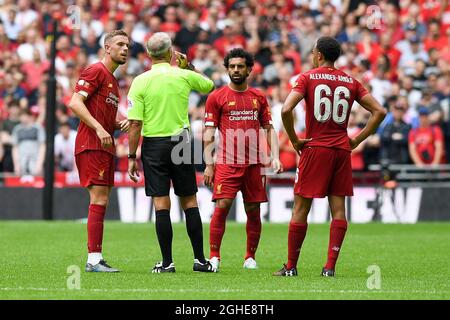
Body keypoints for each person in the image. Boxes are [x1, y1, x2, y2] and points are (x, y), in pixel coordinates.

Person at [274, 37, 386, 277]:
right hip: (341, 151)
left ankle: (291, 267)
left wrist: (294, 139)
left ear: (319, 55)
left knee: (301, 209)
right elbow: (380, 111)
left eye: (313, 52)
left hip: (315, 149)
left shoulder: (307, 77)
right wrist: (356, 139)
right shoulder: (351, 81)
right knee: (338, 211)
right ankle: (329, 268)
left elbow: (285, 110)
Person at [127, 32, 215, 273]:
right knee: (189, 200)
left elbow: (134, 124)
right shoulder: (184, 75)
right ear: (170, 52)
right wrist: (189, 66)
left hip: (154, 143)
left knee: (161, 203)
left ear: (148, 54)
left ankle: (167, 263)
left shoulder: (140, 81)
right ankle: (200, 260)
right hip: (181, 141)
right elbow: (210, 85)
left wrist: (131, 157)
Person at [203, 48, 283, 271]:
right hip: (227, 163)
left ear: (249, 69)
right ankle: (214, 257)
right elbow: (208, 133)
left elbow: (269, 128)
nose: (236, 70)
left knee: (253, 209)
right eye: (232, 66)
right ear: (227, 69)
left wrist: (274, 156)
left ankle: (250, 257)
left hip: (255, 164)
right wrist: (209, 165)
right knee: (223, 205)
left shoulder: (259, 97)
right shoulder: (216, 97)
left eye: (240, 66)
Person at [68, 30, 130, 272]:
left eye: (128, 45)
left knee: (102, 199)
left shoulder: (112, 81)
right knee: (99, 198)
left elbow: (104, 114)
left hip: (103, 145)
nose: (125, 48)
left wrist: (119, 122)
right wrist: (100, 129)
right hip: (92, 143)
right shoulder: (96, 70)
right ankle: (93, 259)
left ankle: (96, 257)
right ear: (107, 47)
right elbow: (75, 102)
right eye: (120, 44)